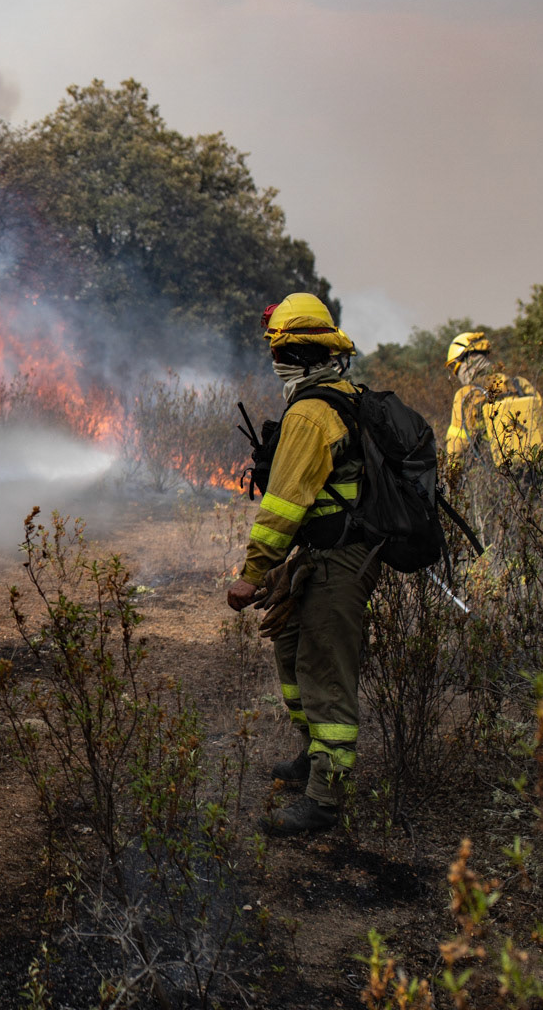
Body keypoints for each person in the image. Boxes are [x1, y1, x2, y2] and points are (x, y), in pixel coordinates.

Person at [227, 293, 378, 837]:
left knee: (323, 669)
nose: (275, 362)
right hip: (322, 552)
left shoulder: (313, 412)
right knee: (291, 648)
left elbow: (285, 503)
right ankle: (312, 755)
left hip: (340, 558)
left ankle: (326, 800)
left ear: (295, 354)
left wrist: (252, 571)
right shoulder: (338, 396)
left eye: (279, 351)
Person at [444, 332, 543, 472]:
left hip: (498, 474)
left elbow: (458, 446)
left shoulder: (467, 395)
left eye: (454, 366)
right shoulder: (520, 384)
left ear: (466, 359)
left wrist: (452, 479)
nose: (455, 374)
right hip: (535, 468)